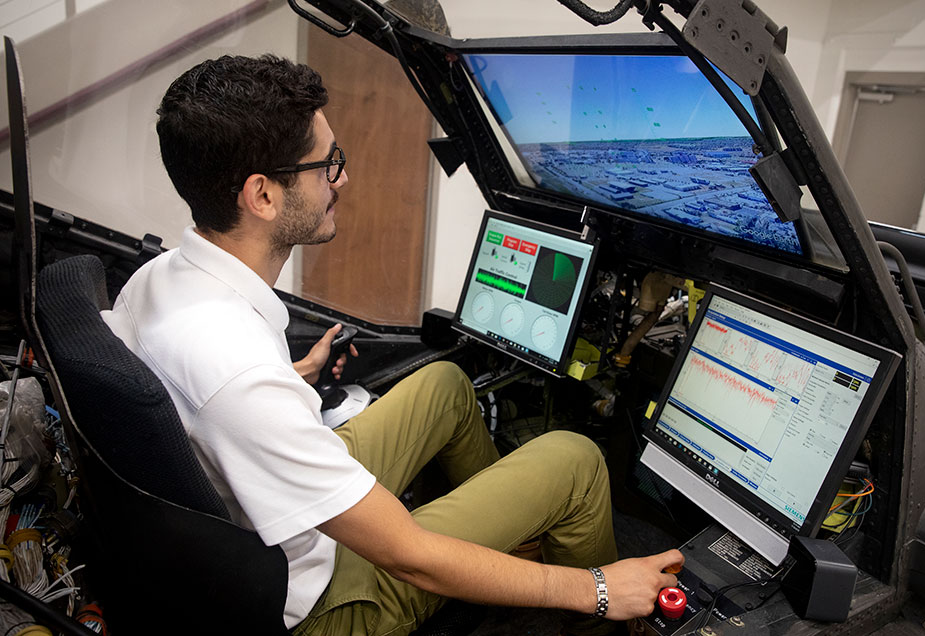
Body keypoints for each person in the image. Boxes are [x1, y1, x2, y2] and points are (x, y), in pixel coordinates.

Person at [101, 54, 683, 635]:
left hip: (265, 531)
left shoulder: (159, 279)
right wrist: (598, 588)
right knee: (574, 459)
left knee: (444, 386)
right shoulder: (239, 378)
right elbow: (411, 557)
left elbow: (211, 408)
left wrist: (289, 378)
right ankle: (587, 617)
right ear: (262, 195)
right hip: (318, 601)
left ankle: (516, 547)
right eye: (329, 164)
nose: (343, 179)